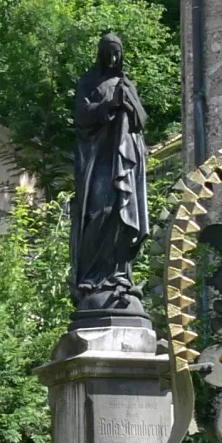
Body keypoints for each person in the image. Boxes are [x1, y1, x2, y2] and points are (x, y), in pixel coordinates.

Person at [70, 33, 149, 314]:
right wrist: (109, 105)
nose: (114, 58)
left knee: (121, 215)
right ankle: (92, 277)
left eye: (118, 53)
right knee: (99, 212)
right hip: (100, 158)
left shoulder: (127, 84)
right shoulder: (89, 82)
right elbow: (81, 114)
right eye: (109, 53)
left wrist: (128, 103)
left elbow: (141, 119)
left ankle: (119, 275)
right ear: (101, 54)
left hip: (125, 159)